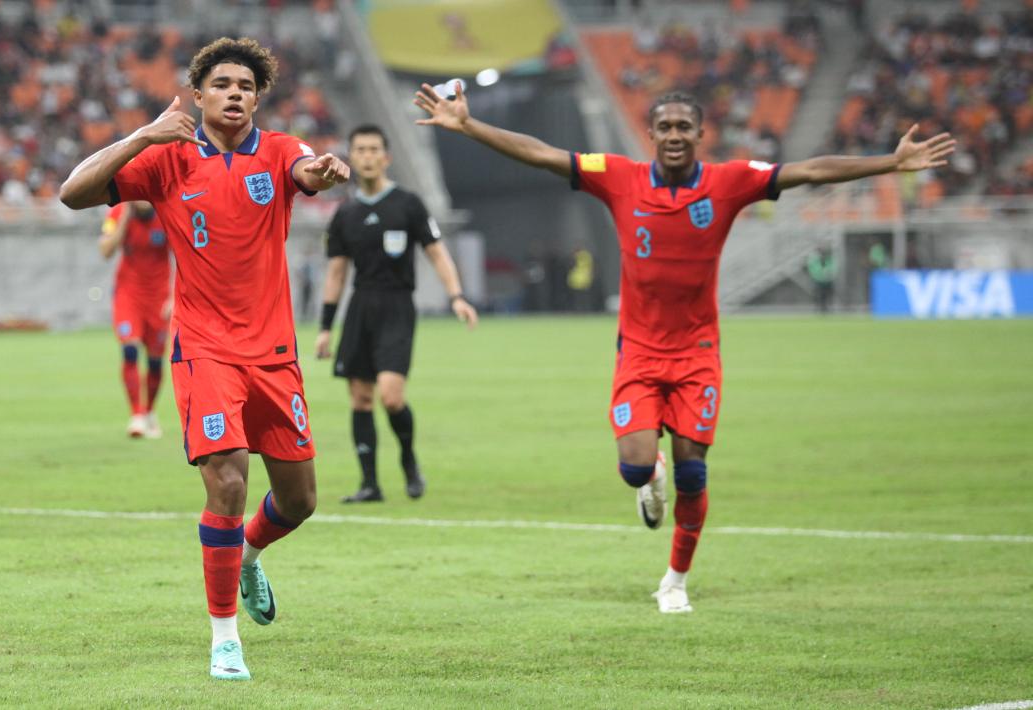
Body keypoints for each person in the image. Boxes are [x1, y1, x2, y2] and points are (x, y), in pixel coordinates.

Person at [415, 84, 954, 614]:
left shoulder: (730, 182)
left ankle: (674, 581)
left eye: (684, 128)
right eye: (665, 127)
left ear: (700, 134)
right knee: (634, 465)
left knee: (693, 473)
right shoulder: (620, 178)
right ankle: (649, 479)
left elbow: (809, 171)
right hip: (640, 352)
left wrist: (889, 163)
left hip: (698, 354)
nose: (674, 135)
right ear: (650, 134)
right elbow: (543, 154)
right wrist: (468, 125)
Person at [59, 37, 350, 680]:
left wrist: (321, 173)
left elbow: (306, 170)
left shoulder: (279, 152)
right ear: (197, 95)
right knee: (228, 479)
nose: (235, 94)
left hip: (274, 355)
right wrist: (145, 134)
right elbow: (74, 193)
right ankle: (225, 638)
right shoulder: (168, 158)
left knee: (299, 500)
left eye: (246, 86)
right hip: (205, 350)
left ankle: (247, 553)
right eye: (221, 84)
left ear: (258, 97)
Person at [315, 124, 478, 503]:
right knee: (360, 398)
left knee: (390, 396)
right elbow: (336, 273)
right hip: (360, 307)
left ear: (386, 157)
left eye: (375, 149)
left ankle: (408, 460)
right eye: (361, 150)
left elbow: (436, 252)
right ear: (351, 158)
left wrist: (456, 296)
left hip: (397, 306)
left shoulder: (408, 204)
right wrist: (325, 327)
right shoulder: (345, 215)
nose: (368, 156)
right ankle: (369, 484)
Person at [98, 200, 171, 438]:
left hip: (159, 298)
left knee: (154, 362)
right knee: (129, 349)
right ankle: (137, 414)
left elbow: (187, 255)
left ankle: (149, 412)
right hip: (128, 294)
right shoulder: (118, 212)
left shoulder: (167, 211)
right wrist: (125, 218)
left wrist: (175, 297)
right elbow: (106, 251)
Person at [806, 245, 837, 313]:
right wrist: (821, 274)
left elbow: (833, 268)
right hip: (818, 280)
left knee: (828, 295)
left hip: (827, 280)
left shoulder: (828, 259)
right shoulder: (815, 260)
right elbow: (813, 270)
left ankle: (826, 308)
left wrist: (828, 273)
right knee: (818, 295)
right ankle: (818, 308)